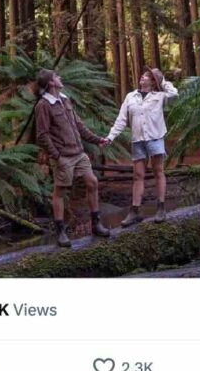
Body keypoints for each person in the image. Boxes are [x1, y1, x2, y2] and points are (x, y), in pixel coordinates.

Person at [34, 68, 111, 248]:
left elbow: (79, 125)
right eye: (56, 76)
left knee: (92, 182)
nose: (60, 78)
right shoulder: (43, 105)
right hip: (63, 156)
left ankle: (96, 224)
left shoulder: (65, 100)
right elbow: (42, 135)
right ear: (51, 83)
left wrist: (96, 139)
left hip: (79, 153)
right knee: (60, 191)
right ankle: (60, 231)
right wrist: (57, 157)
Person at [106, 66, 178, 226]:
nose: (143, 77)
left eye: (147, 76)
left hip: (155, 138)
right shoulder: (131, 97)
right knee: (138, 175)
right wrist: (110, 137)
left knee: (158, 171)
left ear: (153, 82)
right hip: (138, 140)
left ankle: (161, 207)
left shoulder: (159, 96)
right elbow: (121, 119)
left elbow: (174, 95)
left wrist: (162, 80)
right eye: (144, 75)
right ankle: (135, 211)